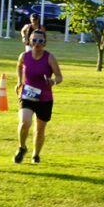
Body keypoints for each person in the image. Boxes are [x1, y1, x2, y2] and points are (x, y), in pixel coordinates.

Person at [15, 29, 63, 164]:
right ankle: (22, 147)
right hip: (27, 95)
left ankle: (36, 155)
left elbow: (59, 76)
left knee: (40, 129)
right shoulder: (24, 56)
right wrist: (19, 81)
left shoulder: (49, 58)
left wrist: (53, 82)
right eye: (34, 40)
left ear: (45, 43)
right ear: (30, 41)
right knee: (24, 122)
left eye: (40, 41)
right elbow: (19, 66)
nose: (37, 43)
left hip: (45, 98)